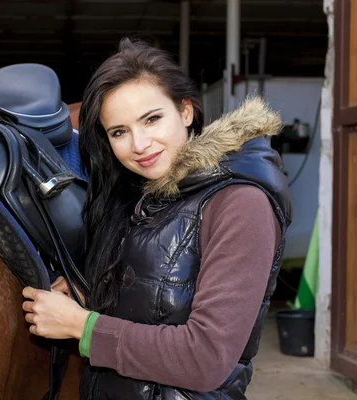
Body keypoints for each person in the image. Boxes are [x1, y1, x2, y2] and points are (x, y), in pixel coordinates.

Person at [22, 38, 292, 399]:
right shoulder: (143, 195)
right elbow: (159, 302)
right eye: (119, 131)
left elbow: (206, 358)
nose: (139, 144)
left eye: (152, 119)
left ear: (185, 111)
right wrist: (93, 295)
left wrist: (81, 326)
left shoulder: (241, 204)